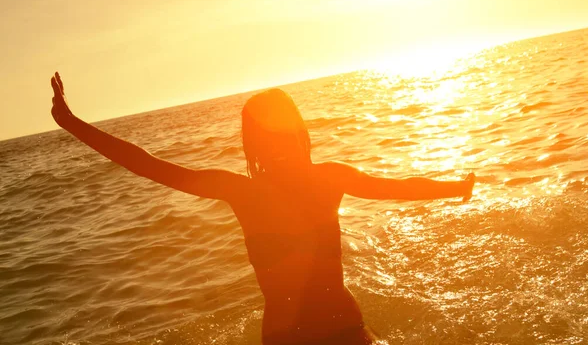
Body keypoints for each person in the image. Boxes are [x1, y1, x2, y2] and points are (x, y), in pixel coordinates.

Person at [50, 71, 475, 344]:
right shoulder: (282, 186)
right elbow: (147, 165)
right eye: (273, 136)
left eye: (283, 133)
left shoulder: (257, 190)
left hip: (336, 333)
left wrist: (454, 187)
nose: (280, 143)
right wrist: (71, 123)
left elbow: (393, 188)